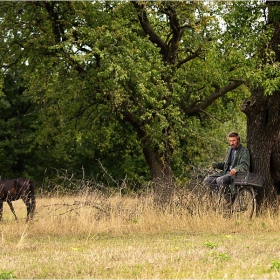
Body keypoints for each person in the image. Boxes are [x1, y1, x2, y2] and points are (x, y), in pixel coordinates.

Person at [204, 131, 250, 204]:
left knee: (220, 180)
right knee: (207, 180)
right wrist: (216, 165)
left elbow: (245, 165)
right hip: (225, 173)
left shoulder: (244, 151)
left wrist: (236, 169)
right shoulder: (230, 149)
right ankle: (227, 195)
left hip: (235, 175)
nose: (232, 143)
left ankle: (230, 200)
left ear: (238, 140)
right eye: (230, 141)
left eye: (234, 140)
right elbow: (226, 164)